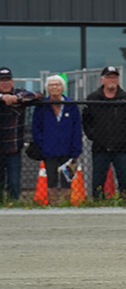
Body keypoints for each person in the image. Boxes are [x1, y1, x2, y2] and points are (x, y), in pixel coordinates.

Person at [81, 66, 126, 199]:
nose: (112, 80)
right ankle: (98, 203)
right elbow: (86, 121)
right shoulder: (93, 99)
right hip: (100, 148)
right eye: (109, 77)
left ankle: (125, 202)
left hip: (122, 148)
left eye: (114, 77)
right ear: (102, 80)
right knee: (98, 179)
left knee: (124, 179)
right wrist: (93, 135)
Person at [31, 75, 82, 204]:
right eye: (51, 85)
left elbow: (77, 129)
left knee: (67, 180)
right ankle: (52, 204)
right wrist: (44, 144)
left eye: (57, 84)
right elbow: (36, 128)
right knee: (51, 180)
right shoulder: (42, 106)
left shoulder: (71, 106)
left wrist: (76, 150)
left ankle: (66, 204)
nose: (54, 87)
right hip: (49, 150)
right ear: (47, 88)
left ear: (62, 87)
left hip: (68, 150)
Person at [1, 67, 42, 201]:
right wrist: (2, 97)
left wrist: (16, 98)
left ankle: (14, 207)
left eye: (8, 80)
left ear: (12, 81)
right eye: (2, 81)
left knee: (14, 182)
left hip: (14, 149)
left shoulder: (19, 93)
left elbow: (38, 95)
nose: (5, 83)